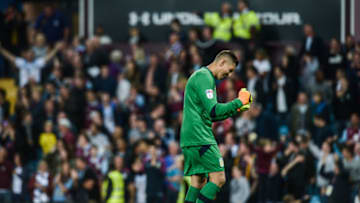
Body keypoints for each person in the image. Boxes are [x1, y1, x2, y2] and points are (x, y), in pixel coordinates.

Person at [180, 50, 252, 203]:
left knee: (198, 182)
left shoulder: (202, 77)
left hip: (191, 137)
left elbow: (214, 114)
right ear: (222, 62)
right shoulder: (204, 77)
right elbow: (214, 112)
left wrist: (237, 108)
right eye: (230, 70)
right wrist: (239, 101)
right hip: (200, 136)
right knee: (218, 178)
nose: (230, 75)